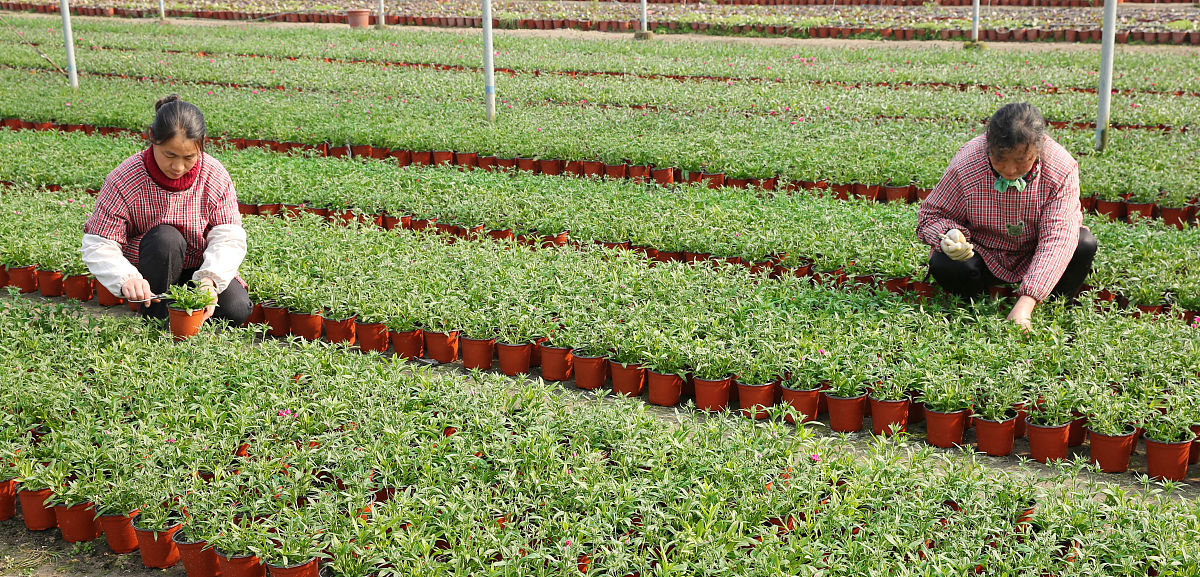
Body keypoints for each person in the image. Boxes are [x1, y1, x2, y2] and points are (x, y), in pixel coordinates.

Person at [916, 103, 1097, 330]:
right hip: (983, 252)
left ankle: (1049, 309)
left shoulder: (1061, 167)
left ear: (1039, 149)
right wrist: (950, 235)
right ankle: (973, 310)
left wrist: (1028, 300)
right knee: (945, 261)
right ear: (987, 145)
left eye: (1021, 161)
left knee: (1082, 244)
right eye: (1000, 160)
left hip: (1035, 252)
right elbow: (930, 216)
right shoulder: (967, 162)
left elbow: (1058, 239)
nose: (1010, 170)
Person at [81, 94, 251, 326]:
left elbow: (228, 236)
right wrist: (126, 278)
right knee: (166, 238)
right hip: (154, 271)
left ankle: (186, 317)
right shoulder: (126, 178)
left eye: (189, 157)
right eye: (169, 155)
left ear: (201, 145)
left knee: (236, 309)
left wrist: (210, 280)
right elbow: (100, 242)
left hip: (198, 269)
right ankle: (156, 319)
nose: (178, 167)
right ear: (153, 138)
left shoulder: (214, 175)